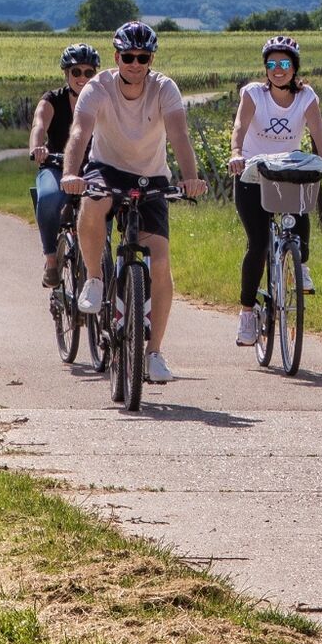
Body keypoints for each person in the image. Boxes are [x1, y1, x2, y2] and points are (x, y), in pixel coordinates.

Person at [61, 20, 201, 387]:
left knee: (161, 260)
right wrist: (71, 173)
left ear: (151, 59)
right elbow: (80, 131)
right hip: (106, 168)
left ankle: (153, 353)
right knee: (93, 203)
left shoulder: (165, 88)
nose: (135, 64)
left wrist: (190, 177)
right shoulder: (98, 87)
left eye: (142, 57)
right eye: (128, 57)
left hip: (150, 175)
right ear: (116, 57)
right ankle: (94, 278)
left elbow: (179, 133)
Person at [226, 34, 322, 346]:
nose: (278, 70)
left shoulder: (306, 96)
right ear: (265, 69)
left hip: (286, 170)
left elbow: (318, 131)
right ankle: (247, 313)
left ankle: (300, 265)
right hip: (253, 173)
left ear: (294, 67)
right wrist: (236, 153)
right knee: (257, 243)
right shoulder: (253, 94)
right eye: (272, 64)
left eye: (284, 63)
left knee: (299, 214)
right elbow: (240, 127)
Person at [29, 43, 99, 287]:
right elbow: (39, 125)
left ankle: (102, 267)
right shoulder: (52, 100)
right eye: (76, 72)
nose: (82, 77)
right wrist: (38, 147)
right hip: (56, 165)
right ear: (66, 74)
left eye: (88, 72)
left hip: (92, 169)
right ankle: (51, 261)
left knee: (107, 207)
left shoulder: (102, 100)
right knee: (48, 197)